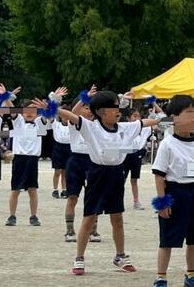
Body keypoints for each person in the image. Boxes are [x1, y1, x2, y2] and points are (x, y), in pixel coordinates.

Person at [49, 90, 162, 275]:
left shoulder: (125, 127)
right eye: (113, 107)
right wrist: (53, 108)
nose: (118, 111)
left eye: (118, 106)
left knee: (117, 217)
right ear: (101, 112)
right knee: (89, 217)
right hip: (97, 173)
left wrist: (169, 119)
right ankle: (79, 258)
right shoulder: (91, 127)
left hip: (116, 174)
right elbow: (72, 116)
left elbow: (146, 122)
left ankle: (120, 256)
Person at [149, 95, 194, 287]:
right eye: (188, 113)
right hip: (174, 192)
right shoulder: (167, 144)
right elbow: (159, 176)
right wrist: (163, 202)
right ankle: (161, 278)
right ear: (174, 118)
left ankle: (192, 276)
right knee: (168, 238)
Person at [4, 85, 55, 227]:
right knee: (15, 189)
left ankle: (33, 216)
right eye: (27, 110)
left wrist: (50, 103)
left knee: (33, 189)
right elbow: (11, 108)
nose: (30, 113)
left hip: (32, 160)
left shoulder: (40, 123)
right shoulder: (18, 121)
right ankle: (12, 216)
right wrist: (5, 96)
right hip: (19, 159)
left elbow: (49, 114)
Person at [63, 89, 99, 243]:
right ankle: (69, 230)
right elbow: (73, 112)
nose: (89, 111)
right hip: (76, 160)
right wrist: (85, 98)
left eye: (91, 108)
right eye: (86, 107)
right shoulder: (75, 122)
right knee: (72, 197)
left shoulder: (98, 124)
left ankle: (93, 230)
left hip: (93, 161)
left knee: (93, 197)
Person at [123, 107, 154, 210]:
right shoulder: (124, 127)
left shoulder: (144, 129)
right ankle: (117, 200)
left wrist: (153, 114)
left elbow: (155, 123)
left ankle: (136, 201)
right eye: (134, 116)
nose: (137, 119)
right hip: (124, 154)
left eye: (139, 116)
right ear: (128, 118)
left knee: (134, 180)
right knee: (121, 180)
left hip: (136, 155)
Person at [50, 109, 71, 199]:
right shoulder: (56, 124)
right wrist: (51, 106)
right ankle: (55, 189)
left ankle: (64, 190)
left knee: (65, 171)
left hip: (69, 148)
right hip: (58, 148)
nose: (65, 118)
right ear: (60, 117)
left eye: (67, 116)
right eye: (64, 116)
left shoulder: (72, 126)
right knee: (57, 171)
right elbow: (50, 116)